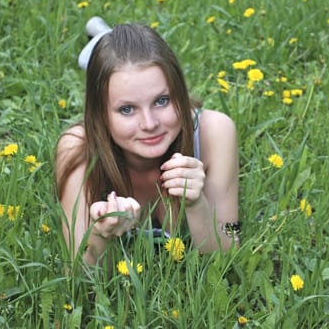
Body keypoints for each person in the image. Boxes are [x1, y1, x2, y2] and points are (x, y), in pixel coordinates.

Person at [55, 17, 239, 265]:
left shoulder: (215, 131)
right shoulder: (77, 148)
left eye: (161, 100)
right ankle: (98, 34)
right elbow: (77, 277)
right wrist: (102, 234)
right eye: (127, 109)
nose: (150, 124)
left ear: (180, 93)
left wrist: (197, 203)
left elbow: (228, 252)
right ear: (100, 114)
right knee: (106, 57)